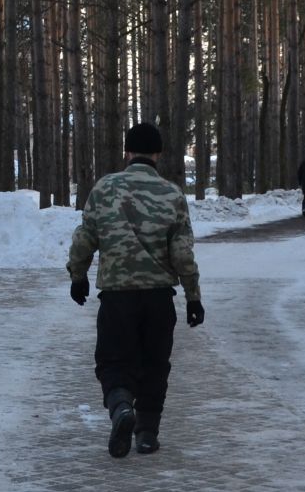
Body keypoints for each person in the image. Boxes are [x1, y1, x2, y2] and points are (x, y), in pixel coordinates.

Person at [66, 122, 203, 458]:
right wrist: (193, 297)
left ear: (127, 152)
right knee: (155, 364)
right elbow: (182, 253)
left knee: (113, 362)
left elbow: (85, 237)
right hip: (159, 298)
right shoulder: (172, 194)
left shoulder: (104, 188)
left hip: (117, 296)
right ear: (158, 154)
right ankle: (146, 434)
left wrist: (78, 275)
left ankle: (121, 408)